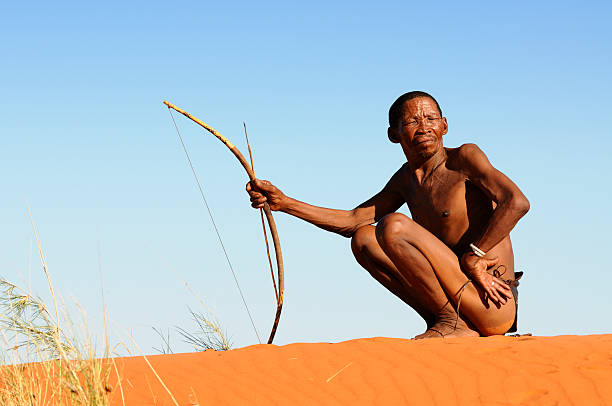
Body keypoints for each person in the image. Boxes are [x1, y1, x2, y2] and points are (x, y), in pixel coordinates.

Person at [246, 91, 530, 338]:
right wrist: (284, 203)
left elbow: (516, 202)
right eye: (411, 121)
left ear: (444, 126)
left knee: (392, 225)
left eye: (431, 119)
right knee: (363, 239)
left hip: (492, 301)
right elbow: (353, 220)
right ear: (394, 135)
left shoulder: (464, 159)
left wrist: (475, 255)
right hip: (460, 297)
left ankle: (452, 323)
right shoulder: (405, 181)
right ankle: (446, 320)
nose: (423, 128)